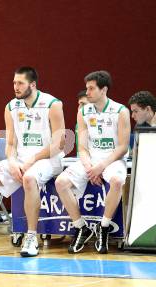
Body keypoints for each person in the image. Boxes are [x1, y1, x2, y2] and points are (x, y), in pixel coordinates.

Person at [0, 66, 65, 257]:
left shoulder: (52, 104)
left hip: (48, 159)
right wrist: (11, 161)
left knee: (29, 178)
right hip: (21, 159)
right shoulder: (11, 107)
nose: (15, 87)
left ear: (32, 84)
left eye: (20, 83)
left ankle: (32, 236)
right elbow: (10, 143)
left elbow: (59, 144)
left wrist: (30, 162)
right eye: (14, 83)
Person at [55, 71, 130, 254]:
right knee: (61, 182)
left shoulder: (121, 111)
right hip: (90, 160)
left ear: (103, 90)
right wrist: (90, 168)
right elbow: (83, 146)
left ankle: (103, 227)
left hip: (113, 159)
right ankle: (81, 227)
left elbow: (122, 147)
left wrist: (101, 167)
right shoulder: (83, 112)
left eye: (91, 88)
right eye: (87, 88)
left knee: (118, 181)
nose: (87, 92)